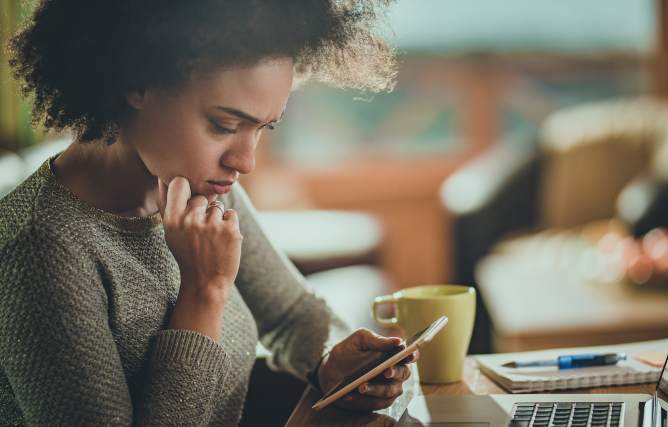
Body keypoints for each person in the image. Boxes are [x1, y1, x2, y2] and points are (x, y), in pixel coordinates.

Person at [0, 1, 416, 425]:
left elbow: (291, 313)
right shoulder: (39, 250)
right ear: (138, 81)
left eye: (263, 127)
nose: (245, 160)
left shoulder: (197, 183)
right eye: (224, 125)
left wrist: (334, 361)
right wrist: (203, 293)